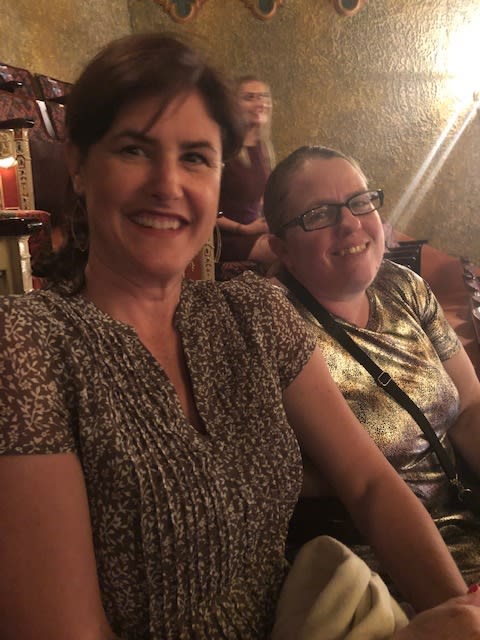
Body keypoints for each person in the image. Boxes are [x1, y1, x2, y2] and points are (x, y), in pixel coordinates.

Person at [0, 34, 473, 640]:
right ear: (79, 165)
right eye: (134, 150)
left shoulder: (253, 314)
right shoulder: (29, 348)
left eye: (196, 158)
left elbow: (371, 485)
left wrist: (456, 611)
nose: (167, 184)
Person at [263, 145, 480, 590]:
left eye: (360, 201)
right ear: (282, 249)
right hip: (376, 573)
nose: (350, 223)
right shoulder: (271, 323)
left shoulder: (405, 286)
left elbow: (471, 405)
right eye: (319, 214)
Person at [216, 75, 276, 265]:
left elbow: (263, 199)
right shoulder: (223, 148)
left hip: (254, 231)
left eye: (263, 96)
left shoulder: (264, 148)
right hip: (225, 237)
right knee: (286, 254)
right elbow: (211, 211)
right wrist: (242, 228)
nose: (260, 103)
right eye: (249, 97)